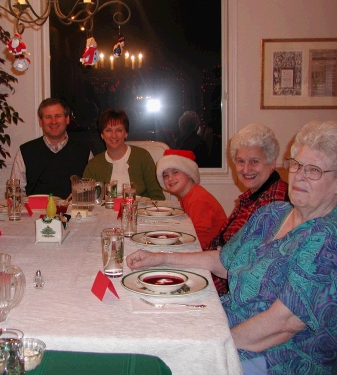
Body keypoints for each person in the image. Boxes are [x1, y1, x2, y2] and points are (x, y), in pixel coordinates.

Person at [127, 120, 337, 375]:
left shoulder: (326, 237)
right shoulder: (272, 214)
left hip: (278, 355)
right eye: (296, 165)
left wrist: (213, 344)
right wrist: (159, 258)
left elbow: (283, 324)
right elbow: (223, 261)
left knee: (167, 362)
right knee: (148, 327)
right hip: (228, 322)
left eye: (314, 170)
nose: (299, 176)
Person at [207, 123, 289, 296]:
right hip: (220, 276)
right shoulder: (253, 196)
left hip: (236, 292)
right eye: (241, 161)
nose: (246, 169)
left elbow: (244, 265)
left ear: (272, 163)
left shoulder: (274, 202)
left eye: (254, 162)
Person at [10, 98, 92, 199]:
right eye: (48, 117)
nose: (53, 121)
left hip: (73, 213)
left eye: (58, 116)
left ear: (67, 119)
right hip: (36, 213)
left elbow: (90, 193)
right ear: (41, 122)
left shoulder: (84, 152)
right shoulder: (25, 151)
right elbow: (16, 193)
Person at [82, 109, 165, 200]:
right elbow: (85, 198)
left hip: (139, 212)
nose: (114, 136)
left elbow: (158, 197)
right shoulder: (94, 164)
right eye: (108, 130)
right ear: (102, 135)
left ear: (126, 133)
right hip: (105, 213)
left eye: (119, 130)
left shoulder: (143, 157)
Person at [155, 149, 227, 248]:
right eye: (166, 175)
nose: (170, 178)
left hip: (213, 250)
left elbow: (199, 239)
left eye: (175, 172)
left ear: (188, 173)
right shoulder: (187, 195)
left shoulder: (198, 199)